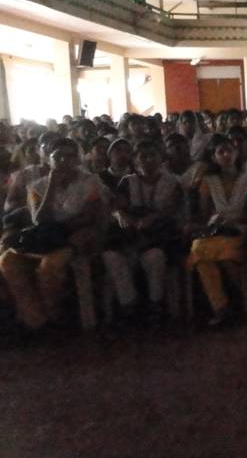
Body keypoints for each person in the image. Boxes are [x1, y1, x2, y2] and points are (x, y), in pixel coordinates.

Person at [0, 138, 102, 332]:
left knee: (50, 266)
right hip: (45, 237)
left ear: (77, 159)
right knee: (7, 261)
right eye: (58, 156)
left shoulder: (89, 181)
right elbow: (39, 219)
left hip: (74, 237)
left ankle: (51, 317)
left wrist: (59, 227)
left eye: (70, 156)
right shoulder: (37, 186)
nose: (64, 160)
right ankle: (36, 319)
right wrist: (52, 185)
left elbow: (89, 216)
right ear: (48, 159)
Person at [102, 140, 185, 321]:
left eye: (152, 156)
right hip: (129, 234)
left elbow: (173, 210)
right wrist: (120, 216)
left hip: (159, 236)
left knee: (154, 257)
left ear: (160, 158)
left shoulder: (172, 182)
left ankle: (156, 303)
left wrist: (153, 218)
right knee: (112, 257)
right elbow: (117, 207)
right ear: (135, 160)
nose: (148, 160)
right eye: (143, 156)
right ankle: (128, 303)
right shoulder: (128, 181)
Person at [187, 136, 247, 325]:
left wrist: (235, 220)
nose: (226, 155)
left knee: (226, 255)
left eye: (229, 151)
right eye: (220, 152)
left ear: (236, 153)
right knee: (199, 250)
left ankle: (237, 304)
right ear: (214, 157)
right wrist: (215, 220)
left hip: (240, 229)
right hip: (217, 229)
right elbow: (204, 213)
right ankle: (221, 307)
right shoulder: (208, 181)